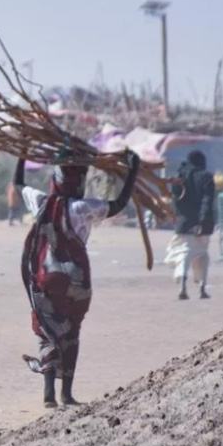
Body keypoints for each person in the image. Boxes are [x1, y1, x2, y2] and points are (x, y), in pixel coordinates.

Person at [15, 151, 140, 408]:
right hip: (77, 279)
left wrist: (21, 157)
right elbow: (118, 204)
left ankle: (49, 395)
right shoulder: (84, 207)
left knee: (47, 333)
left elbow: (18, 185)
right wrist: (132, 172)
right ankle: (67, 394)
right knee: (72, 332)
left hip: (46, 278)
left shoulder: (42, 201)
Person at [164, 150, 216, 300]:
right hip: (203, 225)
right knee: (202, 255)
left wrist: (178, 217)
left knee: (183, 254)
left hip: (184, 223)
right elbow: (207, 200)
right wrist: (202, 221)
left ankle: (182, 287)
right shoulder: (206, 177)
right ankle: (201, 288)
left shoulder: (179, 177)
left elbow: (176, 200)